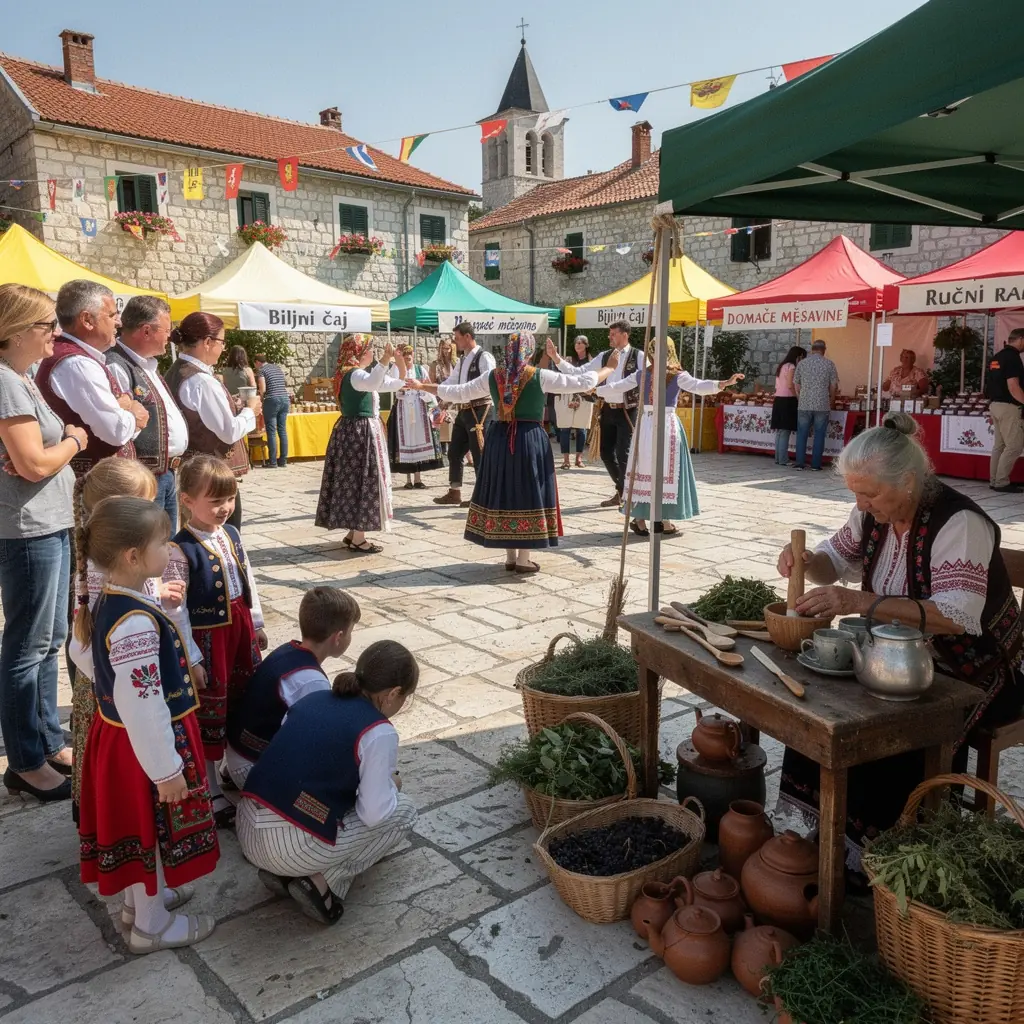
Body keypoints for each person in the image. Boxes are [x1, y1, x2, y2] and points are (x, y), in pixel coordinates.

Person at [776, 413, 1024, 875]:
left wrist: (858, 600)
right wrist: (807, 562)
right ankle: (833, 826)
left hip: (973, 667)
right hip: (896, 653)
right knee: (818, 703)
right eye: (855, 492)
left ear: (907, 482)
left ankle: (880, 849)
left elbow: (955, 617)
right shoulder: (874, 511)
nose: (861, 503)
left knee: (887, 729)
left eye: (869, 493)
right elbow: (836, 557)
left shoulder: (960, 523)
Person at [75, 496, 218, 954]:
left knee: (140, 830)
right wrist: (165, 769)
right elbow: (142, 702)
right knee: (152, 828)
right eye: (163, 543)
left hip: (120, 738)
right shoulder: (135, 621)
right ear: (134, 556)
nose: (171, 550)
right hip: (144, 746)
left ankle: (140, 903)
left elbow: (86, 658)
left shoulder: (113, 599)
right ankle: (152, 926)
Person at [237, 640, 419, 925]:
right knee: (404, 811)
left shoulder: (313, 698)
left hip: (247, 829)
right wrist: (391, 786)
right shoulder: (378, 730)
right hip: (289, 847)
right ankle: (324, 882)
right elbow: (374, 812)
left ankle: (290, 872)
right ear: (393, 693)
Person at [67, 457, 201, 824]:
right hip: (123, 702)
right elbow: (93, 645)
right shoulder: (119, 602)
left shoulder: (116, 574)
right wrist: (107, 679)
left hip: (118, 692)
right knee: (132, 791)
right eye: (143, 505)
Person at [407, 333, 603, 574]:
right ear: (529, 352)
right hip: (529, 439)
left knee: (506, 491)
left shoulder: (493, 376)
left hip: (500, 438)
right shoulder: (540, 376)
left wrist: (423, 386)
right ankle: (523, 558)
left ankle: (510, 555)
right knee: (529, 492)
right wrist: (608, 369)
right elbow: (583, 383)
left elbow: (458, 391)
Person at [0, 284, 85, 802]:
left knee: (47, 641)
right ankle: (27, 760)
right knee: (27, 648)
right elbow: (32, 463)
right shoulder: (7, 383)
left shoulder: (21, 379)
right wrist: (74, 440)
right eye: (46, 325)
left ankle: (46, 739)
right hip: (27, 529)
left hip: (45, 524)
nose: (55, 333)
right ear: (14, 331)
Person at [164, 455, 267, 827]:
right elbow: (176, 611)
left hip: (239, 635)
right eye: (216, 501)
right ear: (188, 500)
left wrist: (256, 622)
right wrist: (191, 658)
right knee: (209, 713)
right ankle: (208, 786)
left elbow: (246, 578)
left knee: (243, 701)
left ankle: (233, 768)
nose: (225, 508)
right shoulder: (179, 549)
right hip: (209, 644)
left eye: (230, 499)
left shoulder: (232, 534)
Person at [599, 337, 743, 536]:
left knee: (649, 469)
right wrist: (724, 383)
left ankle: (646, 520)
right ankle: (658, 520)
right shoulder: (660, 374)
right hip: (662, 425)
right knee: (659, 470)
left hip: (651, 424)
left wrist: (594, 389)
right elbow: (698, 386)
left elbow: (617, 387)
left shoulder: (653, 375)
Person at [225, 587, 360, 788]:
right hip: (252, 768)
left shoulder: (286, 650)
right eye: (350, 632)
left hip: (237, 753)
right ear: (338, 637)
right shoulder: (312, 681)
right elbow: (316, 742)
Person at [35, 280, 148, 476]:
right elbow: (115, 431)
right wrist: (133, 414)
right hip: (93, 486)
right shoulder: (77, 364)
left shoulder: (79, 358)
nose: (118, 322)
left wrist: (124, 410)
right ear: (87, 320)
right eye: (112, 315)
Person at [164, 313, 261, 530]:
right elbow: (228, 431)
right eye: (222, 342)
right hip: (210, 474)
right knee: (218, 534)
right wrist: (250, 411)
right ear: (207, 342)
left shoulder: (177, 370)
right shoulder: (201, 380)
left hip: (194, 472)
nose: (223, 348)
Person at [316, 335, 406, 554]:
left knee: (353, 480)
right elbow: (376, 381)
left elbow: (395, 383)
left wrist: (399, 361)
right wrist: (385, 360)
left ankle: (353, 532)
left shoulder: (355, 375)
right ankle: (358, 537)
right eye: (370, 349)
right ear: (359, 352)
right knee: (363, 480)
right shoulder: (355, 374)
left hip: (352, 433)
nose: (372, 353)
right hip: (360, 434)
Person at [106, 296, 189, 525]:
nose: (170, 337)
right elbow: (119, 427)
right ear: (146, 331)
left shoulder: (148, 364)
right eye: (167, 330)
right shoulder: (116, 364)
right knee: (150, 547)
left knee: (165, 548)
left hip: (166, 473)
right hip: (145, 477)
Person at [553, 320, 638, 507]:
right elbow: (579, 371)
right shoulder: (604, 355)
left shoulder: (638, 356)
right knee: (606, 452)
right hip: (608, 409)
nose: (609, 337)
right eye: (609, 333)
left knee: (624, 453)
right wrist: (557, 359)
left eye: (613, 333)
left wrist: (600, 391)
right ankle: (622, 490)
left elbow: (637, 381)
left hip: (628, 409)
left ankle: (628, 496)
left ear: (625, 335)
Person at [433, 324, 496, 508]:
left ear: (468, 336)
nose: (455, 341)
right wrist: (443, 398)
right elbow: (452, 383)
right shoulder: (461, 360)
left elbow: (489, 382)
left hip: (480, 411)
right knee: (454, 452)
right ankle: (455, 492)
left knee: (479, 454)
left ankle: (482, 496)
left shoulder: (484, 357)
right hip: (464, 410)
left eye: (458, 338)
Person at [386, 343, 444, 489]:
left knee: (418, 438)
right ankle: (407, 479)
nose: (407, 362)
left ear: (413, 357)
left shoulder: (420, 370)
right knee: (406, 440)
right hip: (403, 409)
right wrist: (400, 392)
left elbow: (428, 387)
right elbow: (390, 387)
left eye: (409, 359)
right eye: (404, 359)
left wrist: (423, 393)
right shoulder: (395, 370)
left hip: (419, 409)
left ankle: (418, 478)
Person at [984, 327, 1024, 494]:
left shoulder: (997, 357)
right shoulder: (1013, 358)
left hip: (995, 405)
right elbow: (1014, 387)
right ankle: (1001, 481)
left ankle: (994, 480)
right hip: (1008, 406)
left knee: (999, 445)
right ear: (1021, 339)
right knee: (1014, 445)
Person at [792, 339, 839, 471]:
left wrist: (800, 397)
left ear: (812, 349)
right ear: (824, 350)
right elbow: (833, 385)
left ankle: (800, 463)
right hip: (822, 403)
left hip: (804, 403)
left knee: (802, 434)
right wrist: (832, 400)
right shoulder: (829, 364)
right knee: (819, 434)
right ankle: (815, 465)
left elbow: (796, 385)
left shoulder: (802, 363)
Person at [554, 335, 596, 470]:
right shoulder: (568, 360)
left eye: (581, 343)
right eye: (576, 342)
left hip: (585, 396)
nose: (578, 345)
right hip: (568, 395)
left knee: (581, 428)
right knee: (565, 428)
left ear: (586, 345)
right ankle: (566, 459)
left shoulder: (592, 361)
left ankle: (578, 458)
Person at [253, 354, 291, 469]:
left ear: (257, 362)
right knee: (282, 430)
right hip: (285, 399)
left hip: (272, 400)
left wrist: (260, 395)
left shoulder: (261, 371)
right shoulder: (277, 368)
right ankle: (283, 460)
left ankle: (273, 461)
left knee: (271, 431)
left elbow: (263, 389)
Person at [772, 345, 807, 467]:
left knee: (780, 431)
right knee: (785, 430)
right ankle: (783, 459)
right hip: (787, 400)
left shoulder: (782, 366)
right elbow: (790, 385)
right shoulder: (791, 367)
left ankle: (778, 458)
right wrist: (798, 397)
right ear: (798, 356)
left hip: (778, 399)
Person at [429, 338, 455, 454]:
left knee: (454, 427)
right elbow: (431, 382)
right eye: (444, 348)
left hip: (455, 399)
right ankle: (443, 449)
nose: (446, 351)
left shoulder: (457, 363)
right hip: (441, 399)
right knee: (442, 425)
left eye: (448, 348)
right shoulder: (435, 365)